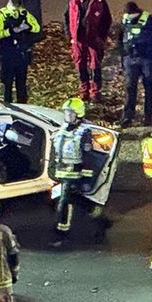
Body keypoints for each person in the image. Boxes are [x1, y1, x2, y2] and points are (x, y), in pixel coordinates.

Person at [50, 97, 109, 246]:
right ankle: (100, 219)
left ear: (78, 114)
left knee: (63, 202)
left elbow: (88, 156)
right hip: (62, 171)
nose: (68, 115)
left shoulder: (84, 132)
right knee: (77, 200)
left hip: (75, 173)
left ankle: (62, 234)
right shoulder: (62, 128)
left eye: (71, 113)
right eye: (66, 112)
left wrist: (87, 176)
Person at [116, 1, 152, 127]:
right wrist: (123, 55)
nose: (129, 17)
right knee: (130, 88)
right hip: (130, 59)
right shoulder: (125, 21)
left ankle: (149, 116)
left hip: (146, 59)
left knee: (148, 88)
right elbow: (119, 39)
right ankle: (128, 116)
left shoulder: (150, 20)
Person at [66, 0, 113, 102]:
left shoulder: (99, 1)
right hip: (78, 40)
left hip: (93, 39)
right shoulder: (73, 1)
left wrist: (101, 37)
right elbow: (67, 18)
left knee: (94, 66)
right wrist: (70, 37)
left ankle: (95, 92)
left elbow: (106, 20)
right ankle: (84, 90)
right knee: (80, 65)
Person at [0, 0, 40, 103]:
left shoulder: (24, 13)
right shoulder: (1, 15)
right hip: (8, 53)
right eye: (14, 9)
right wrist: (13, 31)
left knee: (21, 81)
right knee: (7, 81)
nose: (16, 12)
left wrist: (29, 27)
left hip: (21, 53)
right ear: (9, 5)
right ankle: (7, 103)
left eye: (18, 9)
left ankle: (23, 104)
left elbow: (37, 28)